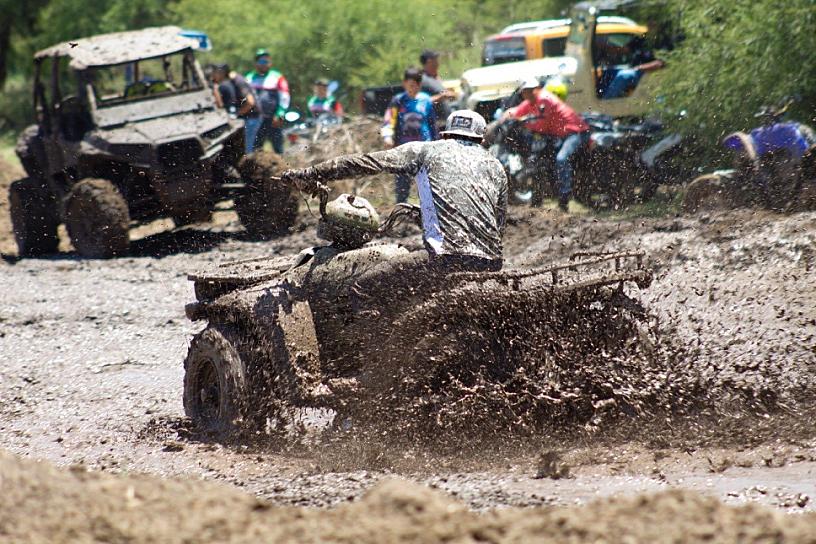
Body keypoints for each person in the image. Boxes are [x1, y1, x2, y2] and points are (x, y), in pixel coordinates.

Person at [282, 110, 507, 273]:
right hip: (493, 262)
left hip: (446, 259)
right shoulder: (496, 166)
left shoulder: (425, 151)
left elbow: (365, 162)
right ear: (481, 139)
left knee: (365, 282)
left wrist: (312, 173)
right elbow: (497, 225)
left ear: (445, 135)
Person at [503, 79, 590, 211]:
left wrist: (522, 123)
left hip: (575, 133)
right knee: (540, 158)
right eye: (525, 92)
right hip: (560, 136)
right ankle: (539, 198)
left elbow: (542, 125)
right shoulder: (532, 101)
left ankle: (564, 199)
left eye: (529, 90)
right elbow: (515, 112)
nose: (527, 94)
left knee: (561, 159)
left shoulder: (545, 99)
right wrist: (504, 117)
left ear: (536, 89)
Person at [381, 67, 438, 203]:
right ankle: (401, 212)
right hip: (404, 148)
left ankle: (427, 214)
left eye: (416, 85)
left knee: (425, 185)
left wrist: (436, 143)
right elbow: (389, 119)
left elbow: (432, 124)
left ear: (420, 85)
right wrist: (387, 136)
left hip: (425, 147)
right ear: (405, 83)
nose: (413, 88)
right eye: (411, 85)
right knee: (402, 184)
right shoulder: (398, 101)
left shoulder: (426, 101)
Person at [245, 49, 291, 154]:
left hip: (273, 118)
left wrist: (280, 113)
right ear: (256, 63)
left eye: (267, 61)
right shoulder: (248, 77)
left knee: (278, 147)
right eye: (261, 61)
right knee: (256, 148)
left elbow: (285, 96)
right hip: (254, 119)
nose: (264, 64)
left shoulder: (277, 77)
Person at [596, 35, 665, 99]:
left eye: (653, 22)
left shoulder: (662, 41)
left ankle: (606, 102)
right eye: (650, 21)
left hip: (646, 73)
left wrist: (639, 68)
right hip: (634, 70)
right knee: (606, 72)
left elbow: (660, 63)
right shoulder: (642, 39)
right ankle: (599, 96)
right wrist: (604, 47)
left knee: (623, 75)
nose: (651, 23)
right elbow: (623, 50)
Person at [210, 63, 259, 153]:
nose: (212, 75)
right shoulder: (231, 82)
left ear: (221, 73)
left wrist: (236, 114)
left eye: (214, 73)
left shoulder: (235, 82)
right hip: (248, 116)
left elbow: (250, 102)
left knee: (247, 150)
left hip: (251, 117)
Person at [419, 49, 455, 127]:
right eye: (436, 60)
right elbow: (419, 101)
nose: (438, 63)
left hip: (445, 122)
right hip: (436, 124)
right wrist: (441, 96)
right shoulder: (422, 80)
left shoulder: (435, 77)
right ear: (429, 61)